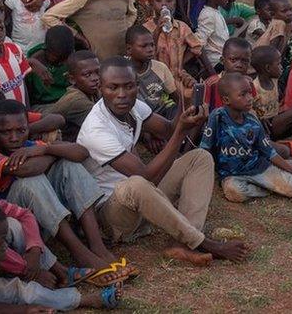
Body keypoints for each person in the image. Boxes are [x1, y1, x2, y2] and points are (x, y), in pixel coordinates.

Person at [77, 57, 250, 266]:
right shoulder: (96, 129)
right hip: (113, 216)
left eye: (128, 86)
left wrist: (184, 101)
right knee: (135, 184)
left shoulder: (133, 107)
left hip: (145, 198)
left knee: (200, 158)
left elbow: (168, 128)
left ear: (136, 86)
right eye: (113, 88)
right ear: (101, 89)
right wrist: (180, 132)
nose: (121, 95)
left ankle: (182, 243)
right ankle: (202, 242)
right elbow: (147, 175)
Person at [0, 151, 121, 301]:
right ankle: (77, 298)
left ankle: (61, 271)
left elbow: (25, 214)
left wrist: (34, 248)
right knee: (21, 292)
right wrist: (29, 270)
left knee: (15, 224)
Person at [0, 100, 132, 279]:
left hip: (42, 220)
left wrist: (46, 150)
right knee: (31, 181)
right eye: (6, 132)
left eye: (21, 131)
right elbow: (27, 170)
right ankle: (79, 252)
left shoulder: (31, 146)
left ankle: (97, 245)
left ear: (29, 128)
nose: (14, 137)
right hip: (18, 227)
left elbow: (82, 152)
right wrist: (51, 154)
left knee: (69, 165)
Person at [201, 72, 292, 203]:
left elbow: (270, 152)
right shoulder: (216, 117)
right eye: (243, 95)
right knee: (234, 193)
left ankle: (286, 168)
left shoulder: (253, 121)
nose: (250, 98)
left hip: (258, 168)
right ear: (226, 100)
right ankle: (266, 188)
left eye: (250, 93)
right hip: (232, 175)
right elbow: (205, 148)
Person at [125, 25, 179, 119]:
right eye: (144, 46)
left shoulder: (160, 68)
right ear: (129, 49)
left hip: (163, 111)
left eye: (152, 45)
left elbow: (175, 95)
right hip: (138, 116)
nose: (150, 49)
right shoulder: (123, 71)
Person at [26, 25, 74, 112]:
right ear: (46, 49)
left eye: (65, 58)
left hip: (69, 99)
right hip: (43, 105)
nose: (62, 63)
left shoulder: (70, 56)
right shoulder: (32, 63)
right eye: (58, 58)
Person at [195, 0, 230, 69]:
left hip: (222, 58)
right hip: (215, 62)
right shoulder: (207, 15)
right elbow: (199, 43)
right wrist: (211, 71)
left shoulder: (215, 11)